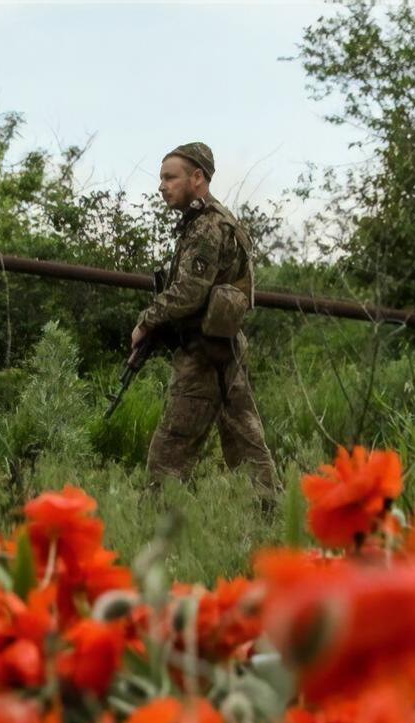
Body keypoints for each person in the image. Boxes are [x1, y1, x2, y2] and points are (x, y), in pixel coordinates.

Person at [130, 142, 279, 497]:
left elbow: (188, 293)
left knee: (170, 450)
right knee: (245, 441)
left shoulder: (207, 227)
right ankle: (269, 516)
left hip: (203, 353)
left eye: (171, 177)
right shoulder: (211, 221)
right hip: (224, 347)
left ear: (198, 177)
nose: (162, 185)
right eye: (161, 178)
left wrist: (146, 321)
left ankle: (155, 526)